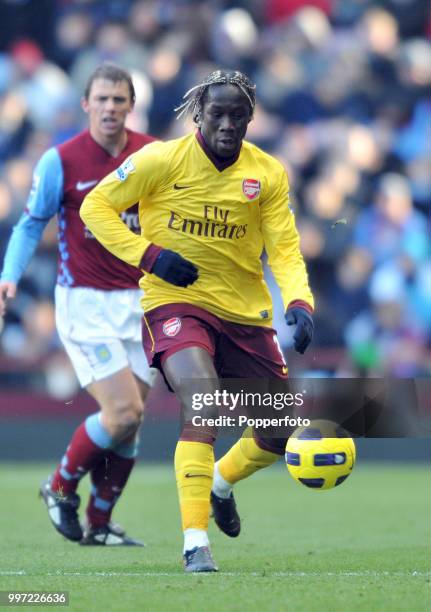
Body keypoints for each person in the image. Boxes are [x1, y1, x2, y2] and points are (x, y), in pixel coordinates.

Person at [80, 69, 314, 570]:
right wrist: (149, 256)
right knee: (205, 405)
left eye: (238, 115)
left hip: (245, 315)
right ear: (198, 116)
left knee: (278, 431)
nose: (228, 124)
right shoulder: (160, 159)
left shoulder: (267, 173)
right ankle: (194, 544)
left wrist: (299, 302)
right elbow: (95, 206)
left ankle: (221, 485)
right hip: (175, 304)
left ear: (251, 118)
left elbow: (286, 250)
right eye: (217, 114)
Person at [0, 63, 156, 546]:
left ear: (131, 105)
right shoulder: (61, 161)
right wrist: (8, 276)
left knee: (129, 424)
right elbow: (30, 224)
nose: (110, 108)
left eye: (119, 100)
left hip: (143, 304)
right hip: (86, 305)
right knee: (124, 410)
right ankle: (59, 485)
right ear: (86, 104)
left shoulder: (153, 156)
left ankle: (100, 523)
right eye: (102, 99)